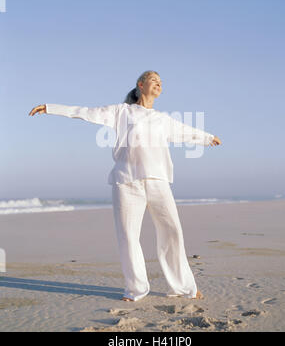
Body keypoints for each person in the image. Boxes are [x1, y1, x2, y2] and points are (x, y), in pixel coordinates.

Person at [29, 70, 221, 302]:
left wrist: (207, 137)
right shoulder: (122, 112)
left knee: (172, 232)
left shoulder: (163, 120)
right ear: (140, 85)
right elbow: (86, 112)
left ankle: (182, 287)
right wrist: (50, 107)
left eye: (161, 81)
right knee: (128, 236)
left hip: (158, 181)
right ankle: (136, 289)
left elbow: (185, 131)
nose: (158, 83)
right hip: (127, 182)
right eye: (153, 79)